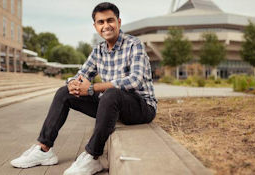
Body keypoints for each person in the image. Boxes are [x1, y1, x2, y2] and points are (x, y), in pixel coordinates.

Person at [10, 2, 157, 175]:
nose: (106, 26)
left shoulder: (134, 44)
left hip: (141, 108)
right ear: (95, 26)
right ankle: (44, 150)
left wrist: (93, 87)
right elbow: (81, 74)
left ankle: (93, 157)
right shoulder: (98, 51)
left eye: (110, 20)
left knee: (110, 93)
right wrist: (73, 83)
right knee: (64, 93)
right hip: (111, 105)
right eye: (101, 22)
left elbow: (135, 80)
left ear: (118, 22)